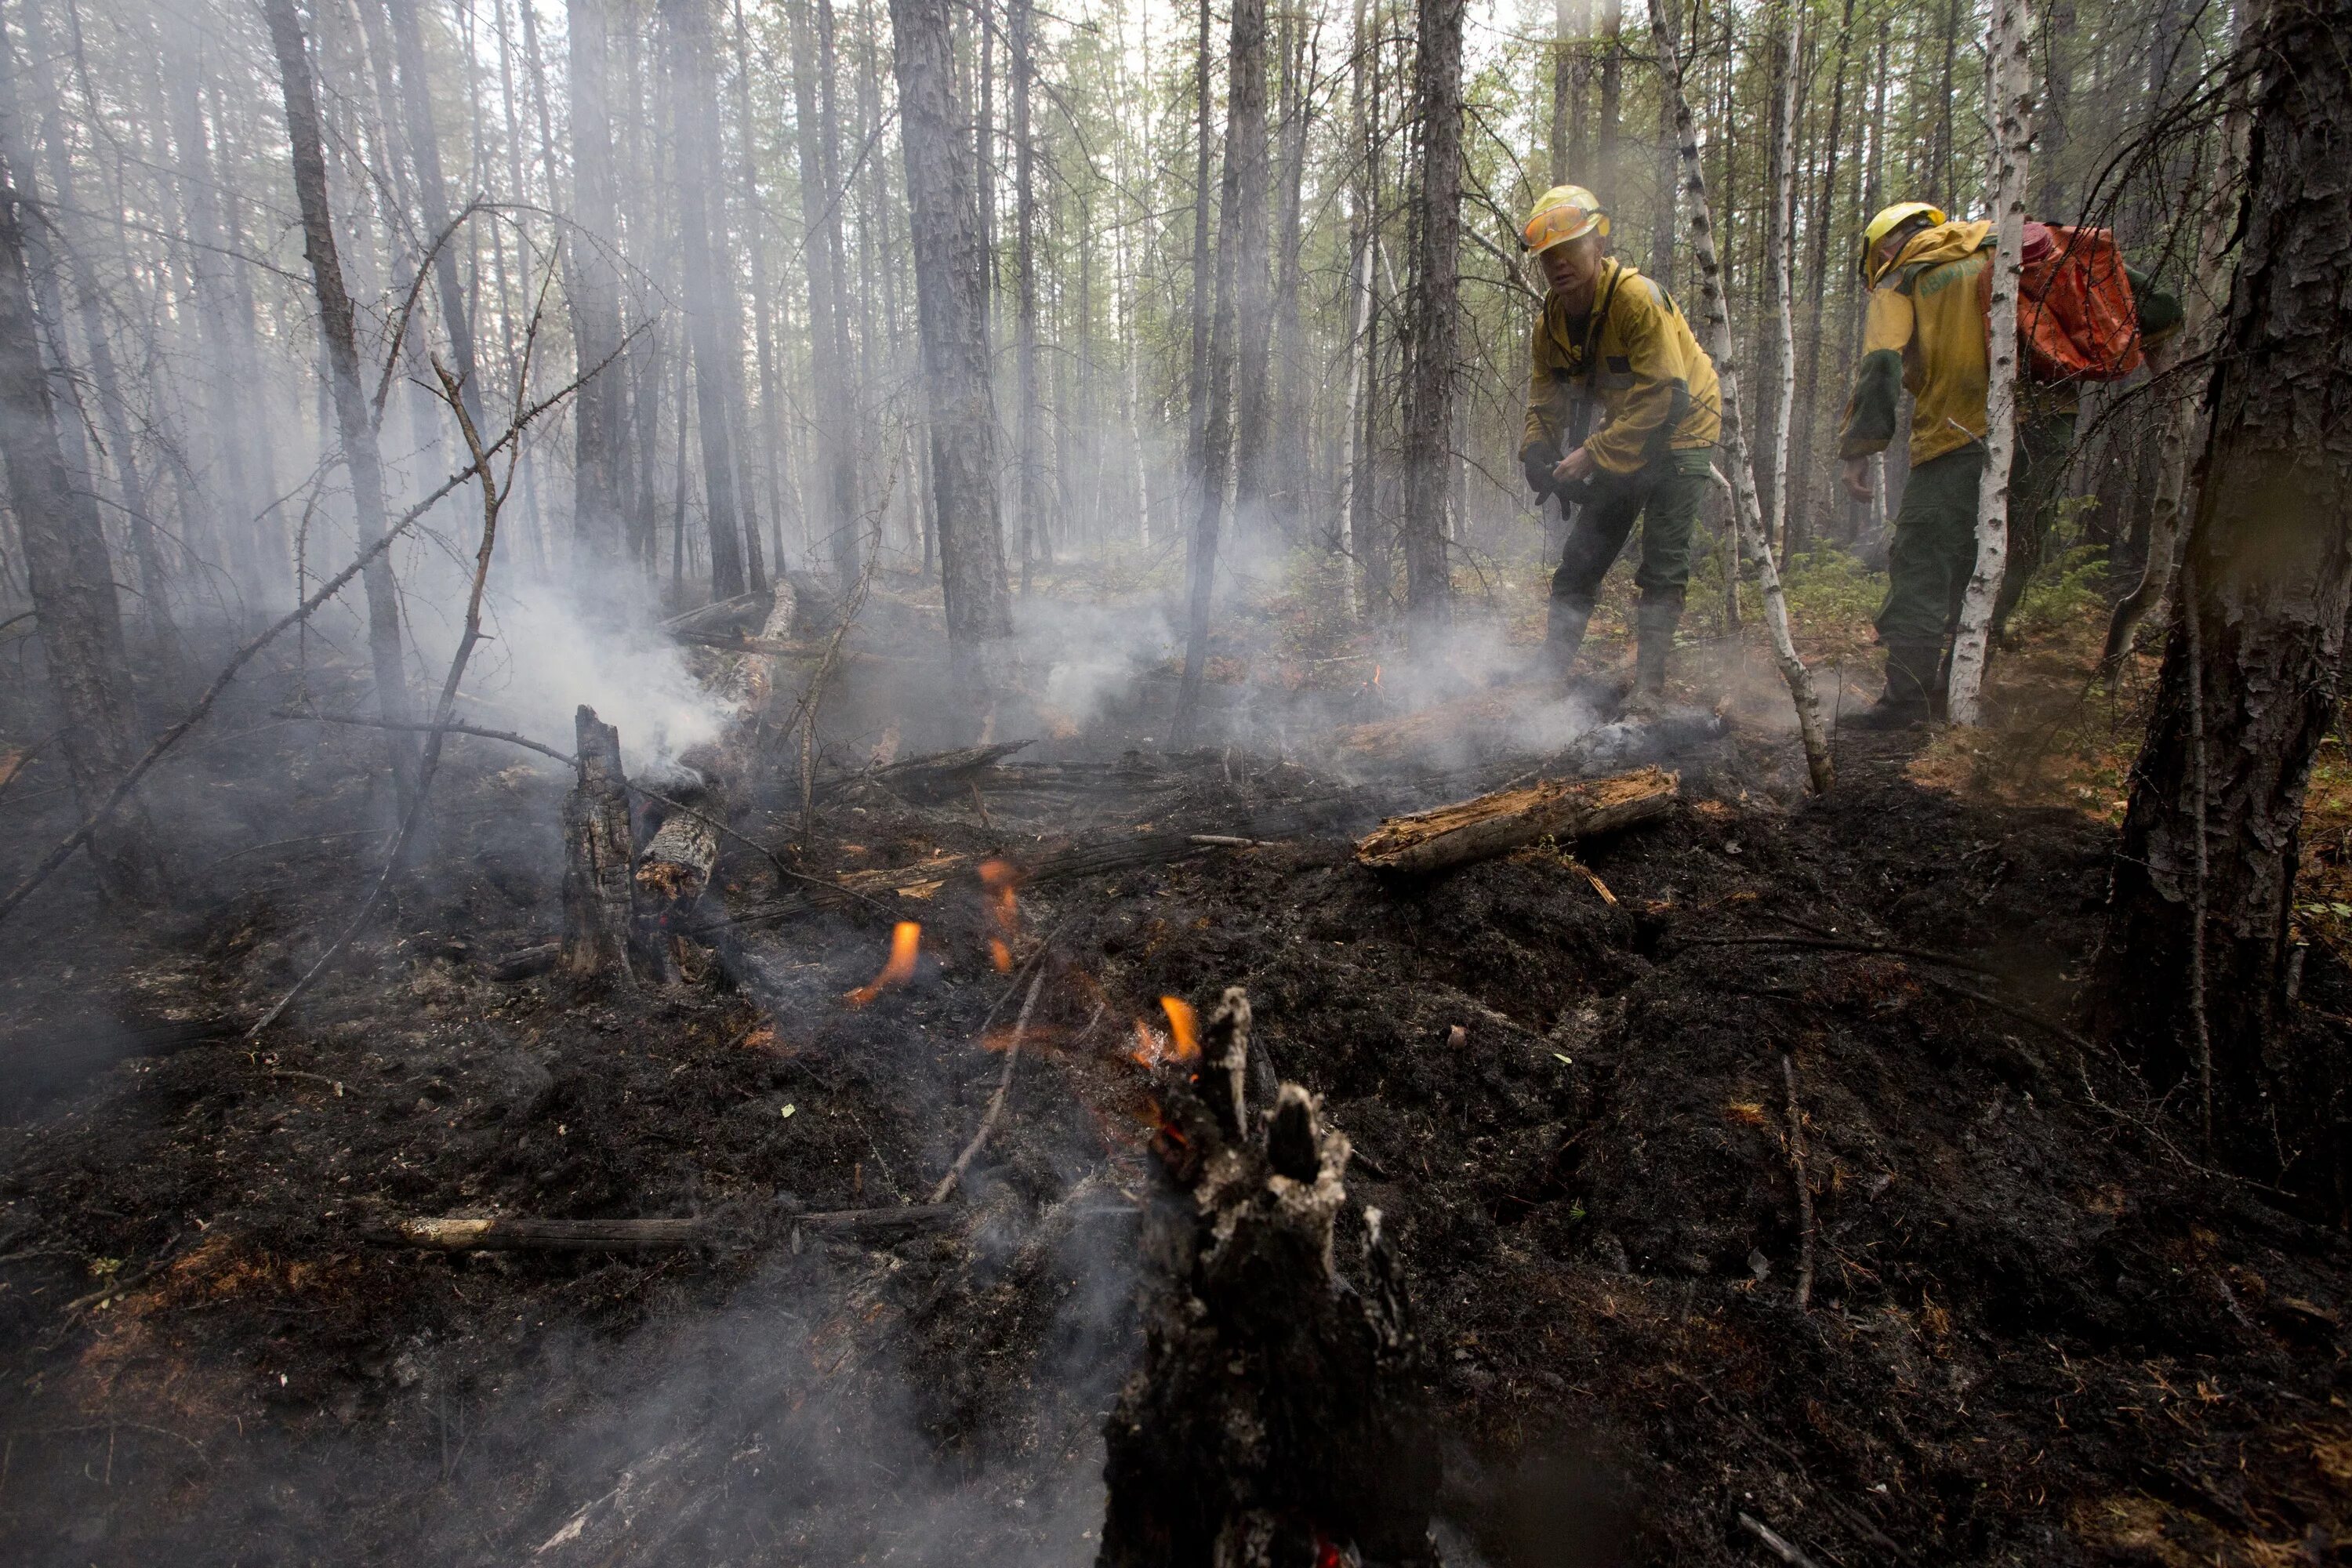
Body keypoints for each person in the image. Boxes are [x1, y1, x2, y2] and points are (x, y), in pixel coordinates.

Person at [1838, 203, 2182, 728]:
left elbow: (1881, 364)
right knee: (2005, 559)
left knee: (1924, 563)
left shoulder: (1904, 276)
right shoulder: (2027, 244)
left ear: (1884, 247)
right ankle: (1963, 693)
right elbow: (2158, 307)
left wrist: (1862, 448)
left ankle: (1906, 702)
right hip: (2043, 436)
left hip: (1957, 436)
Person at [1517, 183, 1722, 706]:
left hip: (1684, 431)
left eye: (1570, 250)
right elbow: (1544, 401)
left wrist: (1592, 454)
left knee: (1662, 565)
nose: (1559, 265)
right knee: (1580, 561)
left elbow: (1667, 397)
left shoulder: (1637, 299)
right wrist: (1537, 452)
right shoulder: (1551, 325)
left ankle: (1649, 692)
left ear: (1599, 246)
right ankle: (1546, 677)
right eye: (1549, 258)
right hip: (1627, 437)